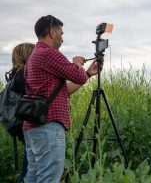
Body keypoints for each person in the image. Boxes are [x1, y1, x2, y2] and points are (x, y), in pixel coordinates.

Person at [23, 15, 100, 182]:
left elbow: (62, 90)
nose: (62, 38)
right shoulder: (49, 53)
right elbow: (76, 75)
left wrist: (87, 74)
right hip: (48, 126)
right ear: (52, 32)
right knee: (49, 178)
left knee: (35, 177)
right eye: (61, 33)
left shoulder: (35, 55)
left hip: (34, 127)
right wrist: (77, 63)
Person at [5, 43, 34, 183]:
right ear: (27, 56)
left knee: (29, 166)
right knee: (29, 169)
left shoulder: (15, 74)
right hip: (29, 124)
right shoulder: (24, 74)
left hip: (22, 125)